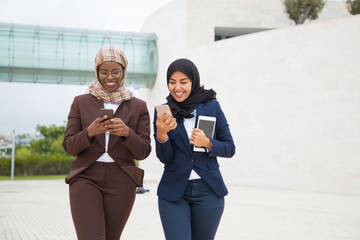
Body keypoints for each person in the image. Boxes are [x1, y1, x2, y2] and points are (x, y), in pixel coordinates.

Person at [62, 46, 151, 240]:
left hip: (122, 181)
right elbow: (69, 145)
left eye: (115, 72)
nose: (109, 77)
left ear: (124, 72)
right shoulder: (80, 102)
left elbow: (143, 152)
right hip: (86, 177)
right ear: (97, 72)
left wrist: (127, 133)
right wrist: (90, 132)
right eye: (104, 72)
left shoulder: (138, 106)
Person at [154, 58, 236, 240]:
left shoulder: (211, 106)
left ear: (193, 81)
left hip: (208, 191)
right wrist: (162, 135)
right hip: (174, 193)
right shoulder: (163, 111)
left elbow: (230, 148)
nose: (177, 88)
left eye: (183, 82)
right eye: (172, 82)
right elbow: (165, 158)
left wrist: (208, 143)